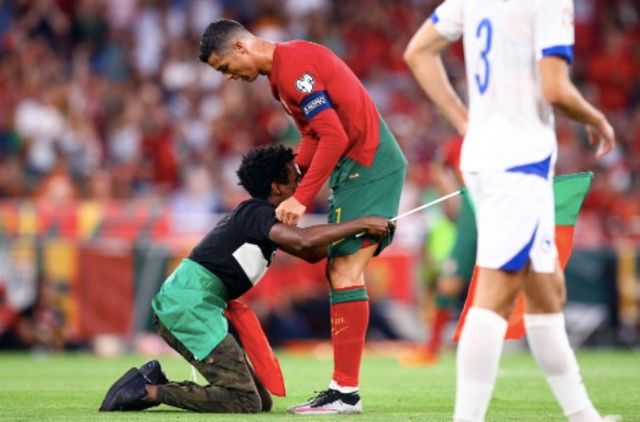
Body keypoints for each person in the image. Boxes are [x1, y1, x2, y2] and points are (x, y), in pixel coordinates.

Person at [403, 1, 615, 421]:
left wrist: (465, 122)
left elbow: (418, 52)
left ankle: (583, 415)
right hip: (518, 164)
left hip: (489, 158)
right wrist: (596, 118)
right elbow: (555, 88)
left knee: (546, 291)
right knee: (495, 294)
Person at [198, 19, 407, 414]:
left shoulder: (293, 69)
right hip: (355, 167)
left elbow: (334, 135)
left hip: (367, 163)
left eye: (225, 67)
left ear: (240, 48)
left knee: (344, 271)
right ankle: (343, 390)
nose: (228, 77)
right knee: (340, 271)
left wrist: (300, 198)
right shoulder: (280, 77)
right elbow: (312, 137)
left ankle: (345, 393)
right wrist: (287, 176)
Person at [98, 145, 393, 413]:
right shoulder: (256, 212)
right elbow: (303, 241)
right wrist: (361, 222)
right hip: (188, 306)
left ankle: (153, 380)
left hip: (194, 305)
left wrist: (363, 235)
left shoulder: (260, 216)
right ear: (276, 187)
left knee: (260, 401)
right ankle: (148, 391)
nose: (301, 185)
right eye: (295, 179)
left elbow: (312, 252)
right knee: (245, 401)